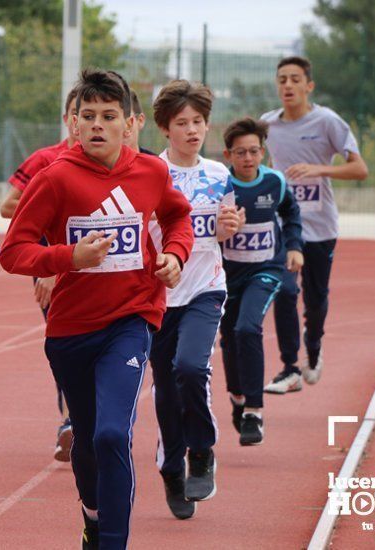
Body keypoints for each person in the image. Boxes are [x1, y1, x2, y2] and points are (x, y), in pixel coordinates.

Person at [0, 68, 194, 549]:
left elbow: (177, 216)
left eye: (109, 116)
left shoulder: (151, 171)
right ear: (74, 123)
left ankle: (113, 541)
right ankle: (92, 517)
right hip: (69, 332)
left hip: (132, 320)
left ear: (130, 122)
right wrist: (69, 257)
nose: (98, 125)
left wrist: (174, 255)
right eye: (88, 116)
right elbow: (12, 252)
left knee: (112, 435)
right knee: (87, 442)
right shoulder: (55, 179)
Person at [147, 80, 242, 520]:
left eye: (198, 122)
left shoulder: (220, 175)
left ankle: (201, 451)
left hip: (206, 287)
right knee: (166, 389)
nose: (192, 130)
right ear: (165, 129)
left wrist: (228, 227)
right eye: (181, 123)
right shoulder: (149, 173)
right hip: (158, 296)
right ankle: (171, 469)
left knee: (191, 368)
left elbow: (224, 233)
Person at [260, 56, 368, 393]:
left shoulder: (327, 121)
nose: (287, 85)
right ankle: (289, 367)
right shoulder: (267, 124)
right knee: (285, 290)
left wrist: (317, 169)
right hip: (283, 225)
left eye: (294, 79)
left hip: (321, 226)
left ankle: (315, 346)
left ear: (309, 86)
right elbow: (256, 164)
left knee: (316, 298)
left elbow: (360, 169)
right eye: (282, 79)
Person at [0, 87, 80, 462]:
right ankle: (71, 422)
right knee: (66, 347)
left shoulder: (123, 162)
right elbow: (8, 206)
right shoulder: (46, 160)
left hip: (106, 272)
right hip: (53, 270)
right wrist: (50, 257)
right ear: (68, 119)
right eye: (80, 114)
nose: (89, 123)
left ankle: (94, 421)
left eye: (102, 114)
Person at [220, 117, 304, 446]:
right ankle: (238, 397)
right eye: (240, 153)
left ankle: (254, 410)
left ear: (263, 152)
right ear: (228, 155)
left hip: (266, 269)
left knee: (247, 328)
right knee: (229, 338)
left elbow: (291, 213)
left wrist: (294, 247)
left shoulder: (275, 182)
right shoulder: (219, 185)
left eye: (254, 151)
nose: (248, 159)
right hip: (227, 275)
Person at [126, 89, 155, 156]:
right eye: (109, 117)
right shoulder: (97, 164)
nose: (120, 126)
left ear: (140, 120)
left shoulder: (156, 165)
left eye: (126, 119)